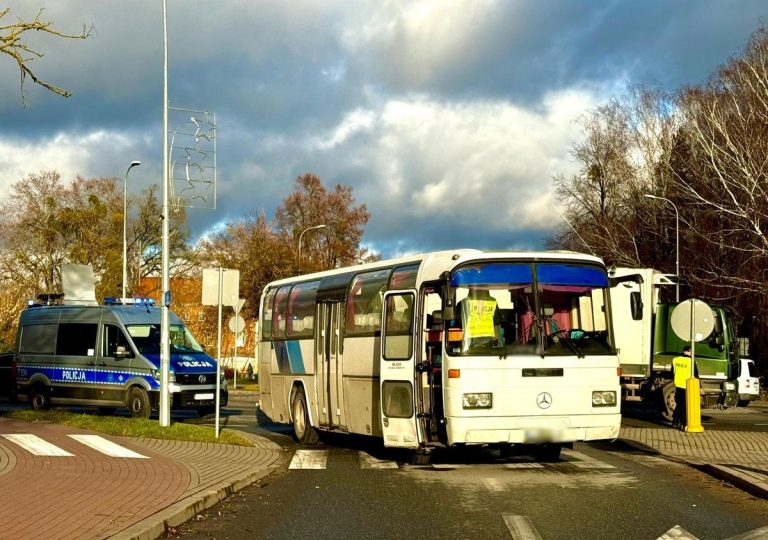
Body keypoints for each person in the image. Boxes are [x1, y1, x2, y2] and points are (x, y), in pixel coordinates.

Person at [672, 346, 694, 430]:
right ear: (689, 352)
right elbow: (696, 375)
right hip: (687, 386)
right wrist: (700, 388)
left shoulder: (675, 360)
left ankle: (675, 421)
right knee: (685, 406)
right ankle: (683, 423)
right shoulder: (691, 362)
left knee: (679, 405)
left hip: (678, 385)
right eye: (691, 352)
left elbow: (672, 372)